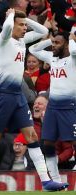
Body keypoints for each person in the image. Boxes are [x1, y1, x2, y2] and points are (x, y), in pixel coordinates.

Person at [0, 9, 68, 192]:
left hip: (17, 96)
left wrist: (23, 17)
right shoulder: (3, 41)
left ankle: (46, 181)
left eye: (24, 25)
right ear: (11, 25)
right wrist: (11, 17)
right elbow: (6, 29)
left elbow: (42, 32)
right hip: (2, 95)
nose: (24, 28)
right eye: (20, 25)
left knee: (32, 136)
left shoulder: (21, 41)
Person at [29, 31, 76, 184]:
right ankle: (55, 180)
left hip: (70, 107)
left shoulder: (73, 59)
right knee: (48, 143)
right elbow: (33, 50)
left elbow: (74, 50)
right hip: (52, 108)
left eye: (58, 43)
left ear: (67, 45)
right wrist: (50, 41)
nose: (54, 46)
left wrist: (72, 39)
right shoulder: (52, 58)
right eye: (53, 43)